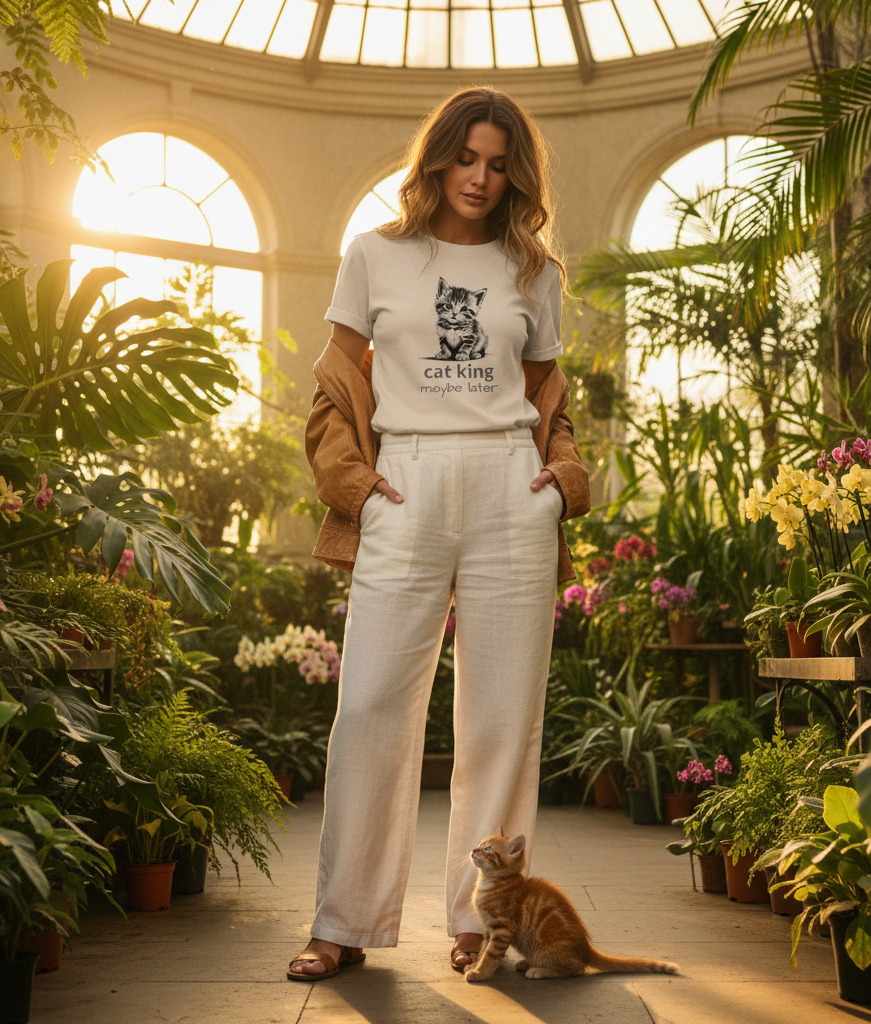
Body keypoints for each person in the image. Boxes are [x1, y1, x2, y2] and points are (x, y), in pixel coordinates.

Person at [288, 86, 590, 982]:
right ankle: (343, 921)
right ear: (437, 158)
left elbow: (549, 401)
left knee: (503, 720)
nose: (480, 178)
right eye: (466, 158)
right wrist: (357, 487)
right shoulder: (374, 254)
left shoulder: (533, 271)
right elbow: (335, 390)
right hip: (405, 482)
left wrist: (559, 482)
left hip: (510, 488)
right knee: (370, 706)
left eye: (498, 164)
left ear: (516, 175)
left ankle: (477, 917)